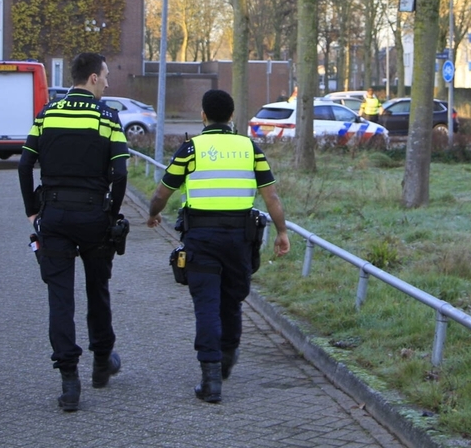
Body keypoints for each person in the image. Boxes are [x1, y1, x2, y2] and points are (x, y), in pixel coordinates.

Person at [147, 89, 290, 403]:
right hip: (240, 241)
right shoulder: (250, 148)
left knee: (207, 306)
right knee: (232, 301)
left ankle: (211, 379)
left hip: (201, 240)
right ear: (232, 117)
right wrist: (282, 232)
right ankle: (227, 356)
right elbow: (272, 197)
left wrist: (153, 214)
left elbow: (162, 193)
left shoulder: (190, 149)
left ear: (203, 116)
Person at [18, 52, 129, 411]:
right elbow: (121, 173)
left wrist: (32, 211)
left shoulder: (46, 114)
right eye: (106, 76)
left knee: (60, 299)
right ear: (93, 78)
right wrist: (111, 214)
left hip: (54, 216)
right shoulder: (107, 117)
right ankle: (101, 361)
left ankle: (69, 380)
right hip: (94, 216)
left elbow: (24, 164)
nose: (109, 83)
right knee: (98, 290)